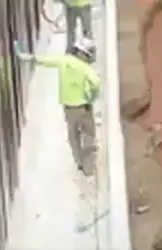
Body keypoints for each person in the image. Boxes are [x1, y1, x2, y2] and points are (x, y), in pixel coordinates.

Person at [18, 38, 101, 175]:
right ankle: (89, 167)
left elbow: (45, 61)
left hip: (69, 109)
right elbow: (96, 82)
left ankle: (79, 162)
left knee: (73, 136)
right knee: (89, 136)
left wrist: (26, 57)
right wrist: (92, 96)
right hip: (84, 107)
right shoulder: (85, 68)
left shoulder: (64, 61)